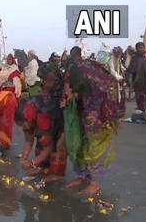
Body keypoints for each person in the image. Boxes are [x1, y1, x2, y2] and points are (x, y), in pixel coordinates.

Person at [62, 46, 120, 197]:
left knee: (92, 147)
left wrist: (66, 102)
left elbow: (68, 93)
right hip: (96, 107)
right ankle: (84, 177)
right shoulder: (86, 66)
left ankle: (93, 184)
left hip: (98, 112)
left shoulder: (75, 69)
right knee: (84, 144)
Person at [16, 63, 65, 179]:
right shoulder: (29, 115)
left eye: (25, 123)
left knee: (57, 146)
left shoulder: (42, 119)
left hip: (59, 126)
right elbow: (29, 141)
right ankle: (43, 167)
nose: (25, 126)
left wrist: (32, 163)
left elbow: (49, 147)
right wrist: (24, 158)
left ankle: (56, 173)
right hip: (43, 119)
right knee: (41, 149)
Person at [128, 42, 146, 113]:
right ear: (136, 49)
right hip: (138, 81)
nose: (140, 49)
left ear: (144, 48)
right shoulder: (134, 58)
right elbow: (131, 70)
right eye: (139, 48)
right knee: (139, 98)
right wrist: (131, 82)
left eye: (142, 47)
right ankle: (141, 113)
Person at [107, 47, 126, 117]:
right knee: (113, 96)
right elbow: (112, 71)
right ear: (115, 53)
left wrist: (124, 71)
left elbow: (121, 67)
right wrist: (119, 77)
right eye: (118, 53)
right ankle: (112, 112)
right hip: (111, 81)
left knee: (118, 96)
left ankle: (117, 111)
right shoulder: (111, 59)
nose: (119, 54)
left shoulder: (118, 58)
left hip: (117, 80)